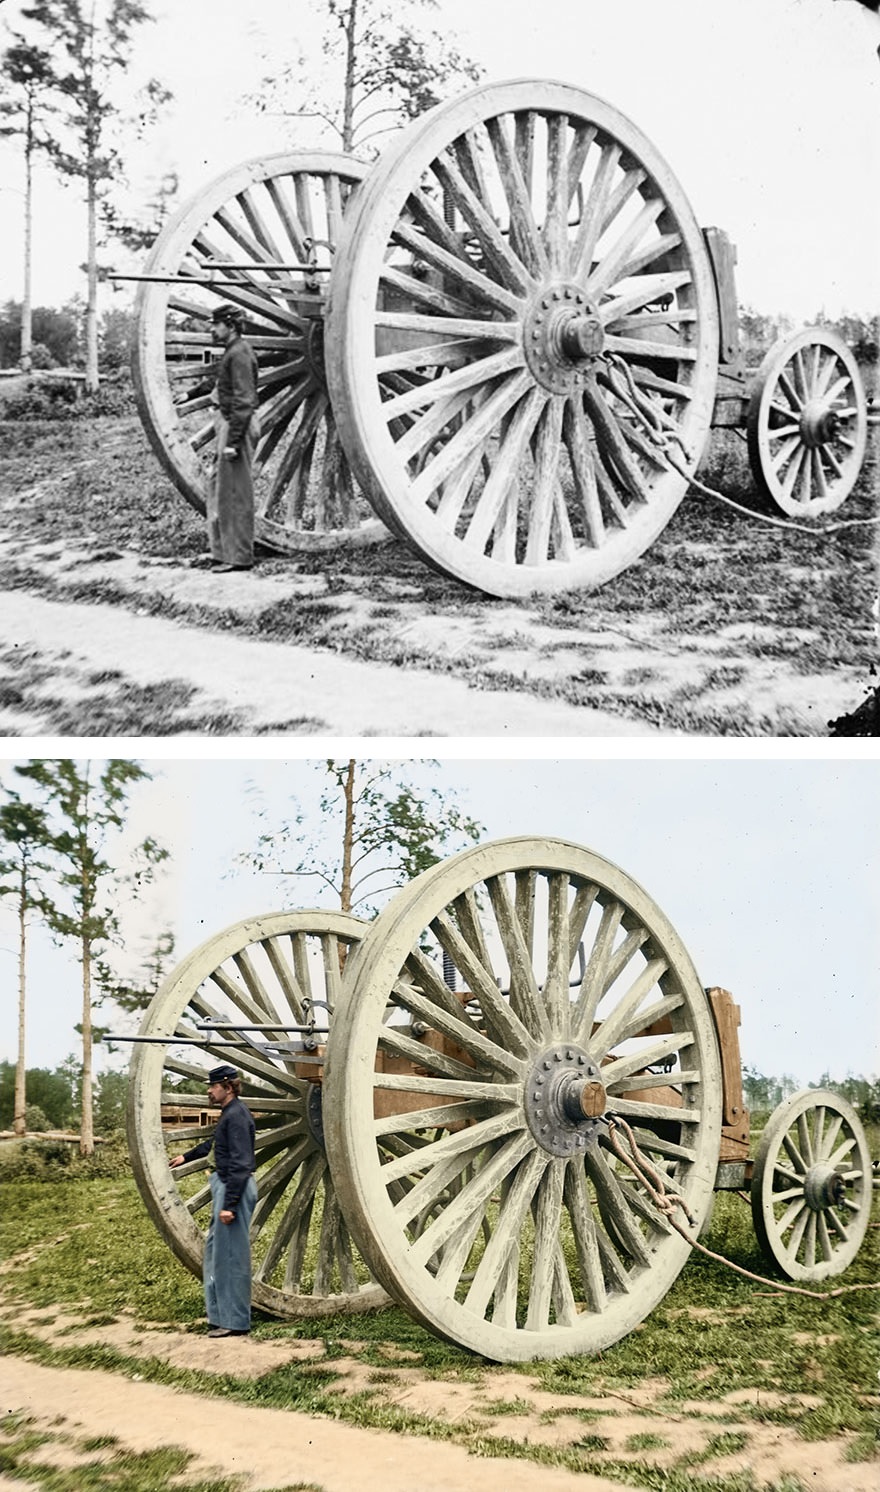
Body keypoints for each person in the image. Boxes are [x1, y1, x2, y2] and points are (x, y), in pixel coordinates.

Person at [170, 1063, 257, 1337]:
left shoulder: (238, 1115)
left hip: (235, 1188)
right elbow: (215, 1144)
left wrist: (229, 1205)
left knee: (232, 1258)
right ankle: (221, 1316)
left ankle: (235, 1322)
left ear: (228, 1087)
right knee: (217, 1255)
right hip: (226, 1186)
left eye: (213, 1086)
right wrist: (187, 1156)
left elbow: (241, 1164)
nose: (209, 1091)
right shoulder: (229, 1114)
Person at [207, 303, 260, 573]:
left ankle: (238, 557)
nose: (212, 328)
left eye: (217, 324)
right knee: (220, 488)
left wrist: (233, 442)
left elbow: (244, 400)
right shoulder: (233, 352)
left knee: (237, 493)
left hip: (237, 425)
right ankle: (223, 552)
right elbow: (221, 383)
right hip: (231, 423)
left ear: (230, 325)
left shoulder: (240, 353)